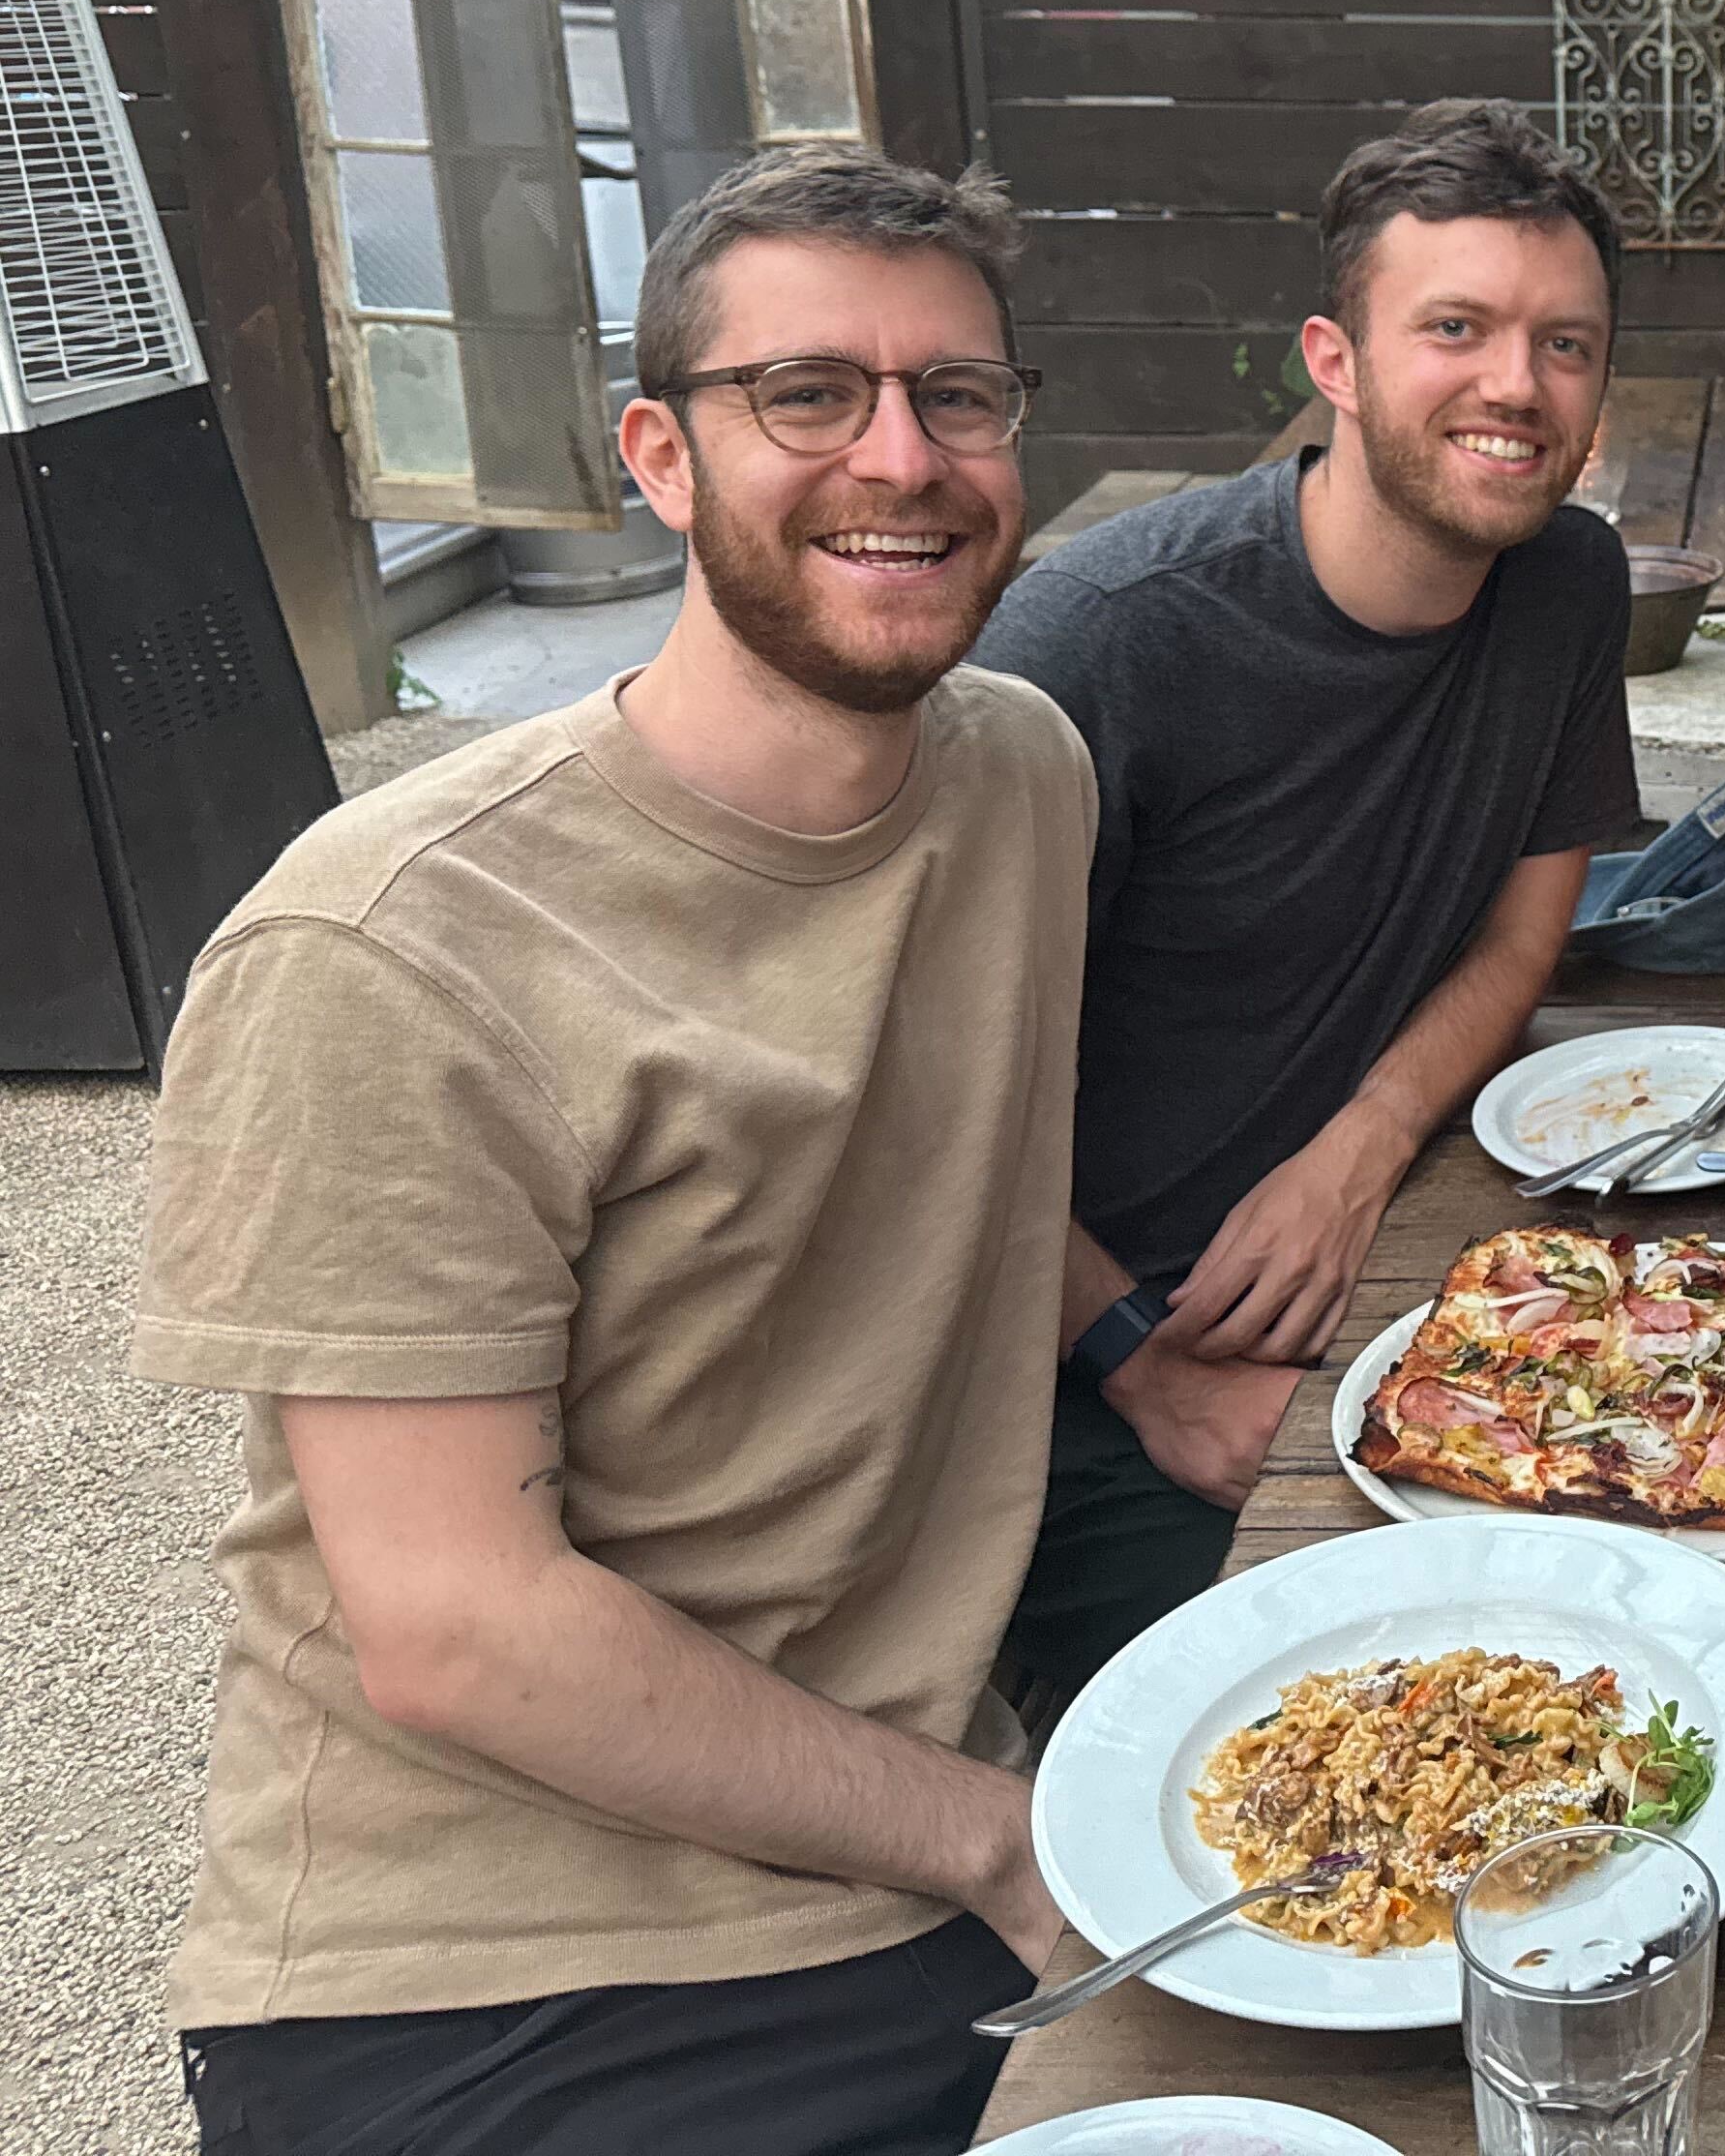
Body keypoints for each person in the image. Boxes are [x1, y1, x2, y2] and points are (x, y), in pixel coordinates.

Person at [141, 147, 1094, 2154]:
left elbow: (931, 1180)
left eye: (958, 395)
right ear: (662, 455)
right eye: (807, 394)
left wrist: (1145, 1349)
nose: (901, 457)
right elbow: (454, 1628)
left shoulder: (1021, 777)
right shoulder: (386, 944)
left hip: (910, 1844)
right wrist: (1002, 1840)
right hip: (491, 1957)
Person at [978, 98, 1639, 1707]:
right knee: (1340, 1747)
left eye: (1563, 343)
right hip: (1067, 1345)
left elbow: (1522, 941)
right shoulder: (1105, 642)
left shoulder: (1568, 581)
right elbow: (926, 1093)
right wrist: (1137, 1360)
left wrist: (1358, 1147)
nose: (1516, 385)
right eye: (1456, 328)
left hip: (1394, 1270)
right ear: (1333, 361)